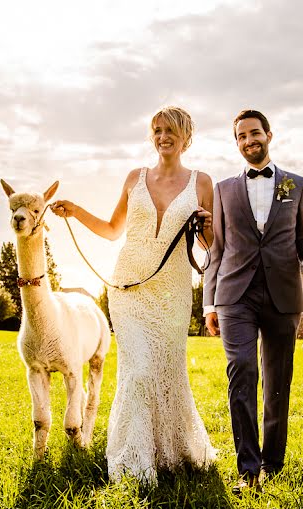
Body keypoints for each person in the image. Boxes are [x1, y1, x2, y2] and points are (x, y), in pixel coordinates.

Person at [50, 106, 217, 485]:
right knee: (138, 370)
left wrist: (208, 228)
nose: (163, 136)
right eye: (157, 130)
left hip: (172, 291)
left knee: (166, 371)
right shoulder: (134, 178)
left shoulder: (202, 183)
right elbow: (112, 230)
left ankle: (170, 450)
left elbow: (210, 245)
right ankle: (132, 458)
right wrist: (75, 211)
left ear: (186, 135)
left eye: (170, 130)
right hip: (128, 289)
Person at [203, 109, 303, 492]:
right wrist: (209, 302)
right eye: (241, 136)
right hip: (234, 295)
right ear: (236, 142)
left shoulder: (297, 185)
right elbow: (216, 250)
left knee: (277, 382)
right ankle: (248, 471)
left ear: (269, 135)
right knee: (241, 369)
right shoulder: (223, 190)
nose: (248, 141)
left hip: (282, 295)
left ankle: (273, 465)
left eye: (254, 133)